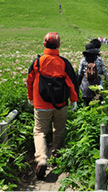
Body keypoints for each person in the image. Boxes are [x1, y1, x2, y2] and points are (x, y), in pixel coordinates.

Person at [26, 32, 79, 179]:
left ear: (44, 44)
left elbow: (29, 82)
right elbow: (71, 84)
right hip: (61, 104)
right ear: (59, 45)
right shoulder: (64, 63)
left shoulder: (37, 62)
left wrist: (31, 98)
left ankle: (41, 158)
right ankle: (56, 157)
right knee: (59, 130)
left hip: (41, 104)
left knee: (39, 131)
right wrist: (74, 100)